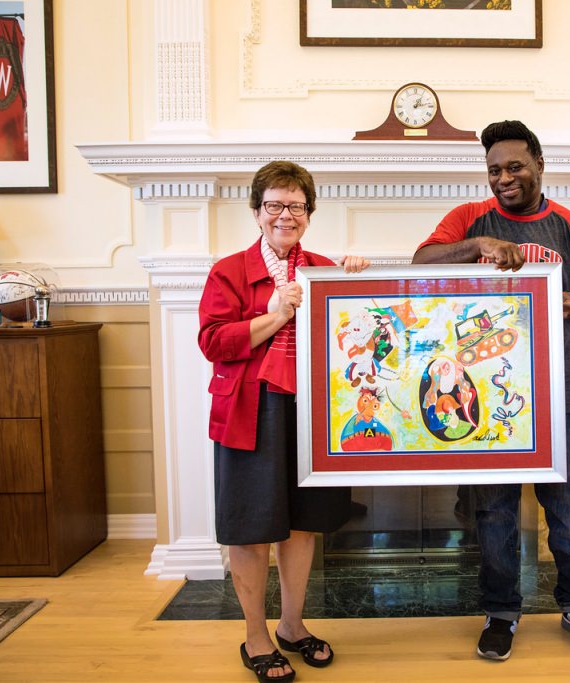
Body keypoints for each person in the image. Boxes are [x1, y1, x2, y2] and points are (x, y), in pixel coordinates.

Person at [412, 120, 570, 661]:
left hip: (560, 392)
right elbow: (420, 262)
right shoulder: (468, 219)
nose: (504, 178)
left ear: (539, 164)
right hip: (486, 399)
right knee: (494, 510)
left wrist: (561, 302)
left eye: (515, 167)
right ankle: (501, 610)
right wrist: (477, 244)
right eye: (495, 170)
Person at [199, 160, 370, 683]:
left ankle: (292, 626)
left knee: (301, 526)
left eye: (296, 206)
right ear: (256, 212)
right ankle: (256, 636)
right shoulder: (228, 271)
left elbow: (356, 337)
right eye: (274, 205)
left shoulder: (322, 268)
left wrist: (360, 285)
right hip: (252, 412)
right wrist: (275, 314)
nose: (285, 215)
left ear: (309, 214)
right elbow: (212, 342)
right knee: (250, 531)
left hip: (314, 414)